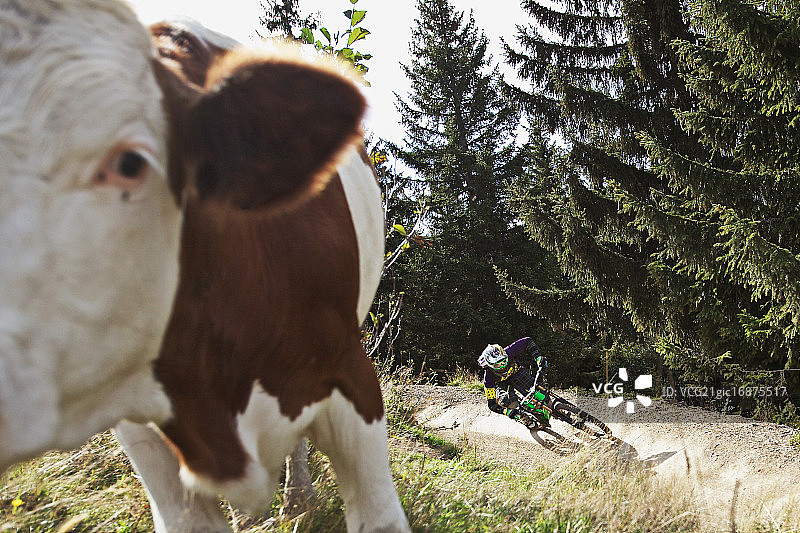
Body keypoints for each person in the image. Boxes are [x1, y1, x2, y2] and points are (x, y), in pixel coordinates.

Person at [477, 337, 549, 428]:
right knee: (509, 402)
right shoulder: (488, 377)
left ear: (505, 356)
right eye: (496, 365)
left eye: (503, 362)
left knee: (539, 393)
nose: (501, 367)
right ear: (490, 365)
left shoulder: (509, 351)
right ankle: (522, 417)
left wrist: (538, 357)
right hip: (502, 383)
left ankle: (554, 407)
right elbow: (491, 404)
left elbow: (528, 341)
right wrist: (507, 412)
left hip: (516, 373)